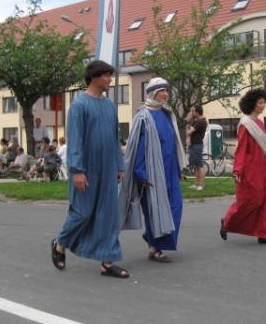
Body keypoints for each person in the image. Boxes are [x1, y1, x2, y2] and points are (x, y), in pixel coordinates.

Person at [51, 60, 128, 278]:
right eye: (107, 75)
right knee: (82, 213)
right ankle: (60, 244)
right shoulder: (79, 105)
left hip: (108, 167)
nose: (110, 80)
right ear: (94, 77)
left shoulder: (109, 105)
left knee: (108, 215)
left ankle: (107, 262)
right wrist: (77, 170)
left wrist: (119, 164)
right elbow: (75, 140)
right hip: (85, 169)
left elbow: (114, 138)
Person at [121, 77, 187, 263]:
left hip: (170, 170)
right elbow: (137, 148)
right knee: (155, 210)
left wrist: (178, 168)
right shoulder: (143, 115)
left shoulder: (167, 113)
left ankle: (152, 237)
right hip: (151, 172)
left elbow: (172, 144)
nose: (165, 94)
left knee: (175, 207)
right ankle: (154, 248)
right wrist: (140, 172)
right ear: (152, 93)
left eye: (166, 90)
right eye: (161, 91)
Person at [219, 89, 266, 245]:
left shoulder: (260, 123)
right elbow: (242, 149)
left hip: (263, 167)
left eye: (264, 102)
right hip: (250, 168)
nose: (263, 105)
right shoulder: (245, 124)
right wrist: (238, 169)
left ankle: (265, 234)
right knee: (251, 200)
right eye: (260, 102)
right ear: (252, 104)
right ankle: (227, 221)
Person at [187, 104, 207, 190]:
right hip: (194, 144)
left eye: (193, 111)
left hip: (197, 145)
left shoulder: (201, 122)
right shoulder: (197, 121)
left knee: (199, 165)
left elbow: (189, 132)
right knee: (195, 165)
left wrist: (189, 130)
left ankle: (201, 185)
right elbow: (189, 122)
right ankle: (197, 183)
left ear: (197, 112)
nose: (192, 112)